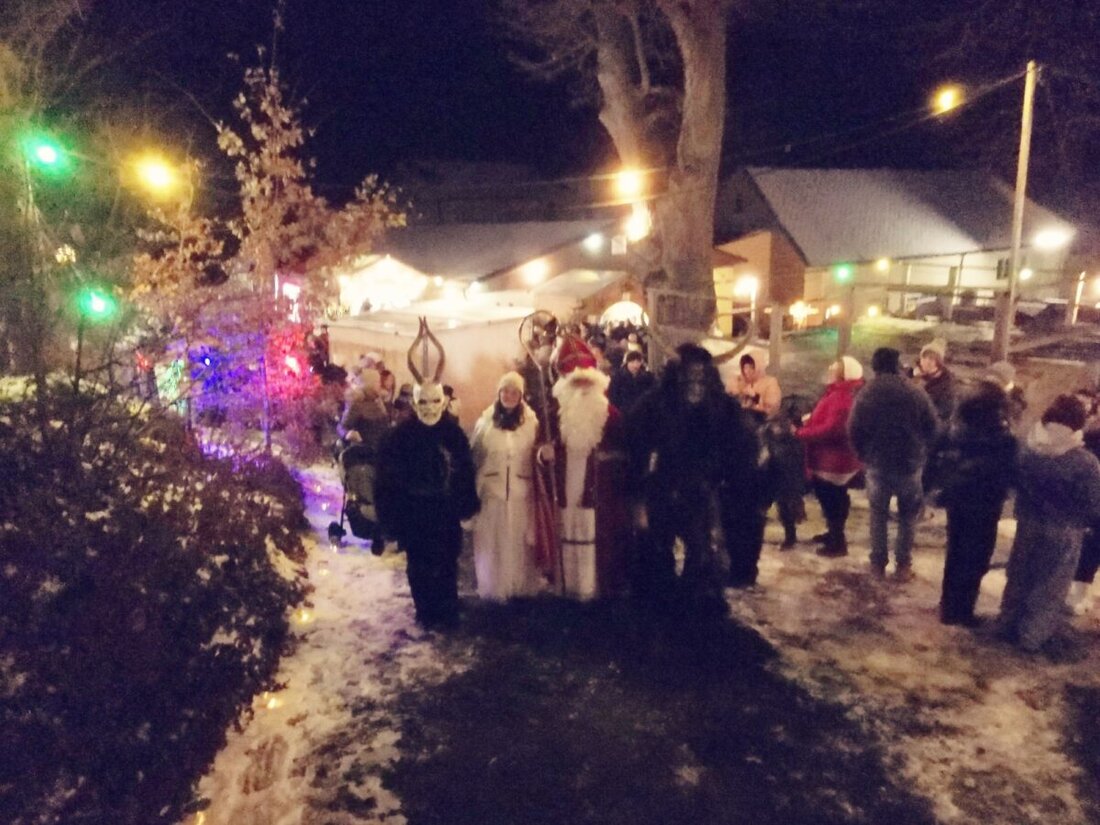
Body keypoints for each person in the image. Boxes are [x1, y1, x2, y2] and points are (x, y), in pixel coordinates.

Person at [626, 343, 763, 614]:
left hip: (700, 484)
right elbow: (635, 434)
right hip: (664, 481)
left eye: (701, 379)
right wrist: (641, 482)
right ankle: (658, 592)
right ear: (677, 377)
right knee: (656, 541)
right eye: (689, 378)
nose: (695, 386)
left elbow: (740, 444)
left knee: (701, 545)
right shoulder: (657, 402)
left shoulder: (721, 407)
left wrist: (732, 475)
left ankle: (698, 597)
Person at [375, 322, 479, 629]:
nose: (430, 408)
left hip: (444, 512)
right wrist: (391, 518)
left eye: (436, 402)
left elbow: (465, 469)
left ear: (444, 401)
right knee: (419, 565)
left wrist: (465, 502)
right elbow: (386, 481)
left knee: (447, 562)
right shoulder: (399, 437)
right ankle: (425, 611)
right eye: (423, 401)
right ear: (414, 402)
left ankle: (447, 610)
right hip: (415, 512)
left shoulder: (453, 433)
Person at [998, 395, 1100, 654]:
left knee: (1020, 576)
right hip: (1064, 529)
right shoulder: (1084, 463)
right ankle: (1032, 637)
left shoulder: (1028, 448)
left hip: (1028, 523)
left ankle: (1006, 624)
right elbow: (1093, 503)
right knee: (1050, 585)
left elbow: (1014, 482)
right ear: (1077, 423)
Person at [537, 336, 629, 600]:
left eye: (587, 382)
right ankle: (567, 587)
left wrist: (609, 460)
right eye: (576, 383)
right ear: (566, 386)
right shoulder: (554, 414)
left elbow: (624, 452)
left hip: (599, 489)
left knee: (595, 536)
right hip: (565, 484)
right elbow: (541, 450)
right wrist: (545, 453)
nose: (582, 388)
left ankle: (592, 588)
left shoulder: (610, 414)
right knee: (567, 529)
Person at [848, 347, 939, 580]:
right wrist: (922, 450)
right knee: (908, 516)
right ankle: (903, 565)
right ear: (897, 364)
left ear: (875, 366)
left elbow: (854, 427)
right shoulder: (914, 391)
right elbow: (933, 426)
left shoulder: (868, 392)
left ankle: (878, 564)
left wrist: (862, 454)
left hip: (877, 462)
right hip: (909, 463)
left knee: (878, 514)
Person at [934, 383, 1017, 626]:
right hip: (985, 506)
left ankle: (949, 606)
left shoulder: (956, 430)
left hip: (958, 501)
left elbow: (938, 455)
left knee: (956, 553)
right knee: (976, 558)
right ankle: (962, 611)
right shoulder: (1002, 440)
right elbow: (1007, 474)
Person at [469, 372, 542, 601]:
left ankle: (520, 586)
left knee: (519, 542)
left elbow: (538, 453)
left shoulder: (532, 423)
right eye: (505, 391)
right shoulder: (485, 423)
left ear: (521, 395)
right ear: (498, 393)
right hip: (493, 492)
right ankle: (494, 587)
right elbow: (475, 456)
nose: (509, 396)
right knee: (493, 542)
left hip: (521, 493)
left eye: (514, 392)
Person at [797, 356, 864, 558]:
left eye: (834, 367)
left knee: (831, 499)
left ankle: (837, 542)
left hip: (833, 462)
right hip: (836, 460)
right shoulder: (838, 393)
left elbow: (831, 429)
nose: (830, 369)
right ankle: (834, 534)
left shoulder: (841, 397)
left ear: (844, 374)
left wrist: (800, 433)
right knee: (836, 497)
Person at [915, 338, 956, 424]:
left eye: (931, 358)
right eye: (924, 357)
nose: (926, 361)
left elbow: (945, 410)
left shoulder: (945, 383)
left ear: (938, 362)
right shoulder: (911, 375)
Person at [608, 350, 656, 416]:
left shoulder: (648, 377)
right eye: (632, 362)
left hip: (643, 412)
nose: (635, 365)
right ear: (627, 362)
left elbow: (652, 392)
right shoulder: (618, 377)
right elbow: (613, 395)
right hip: (624, 412)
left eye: (638, 362)